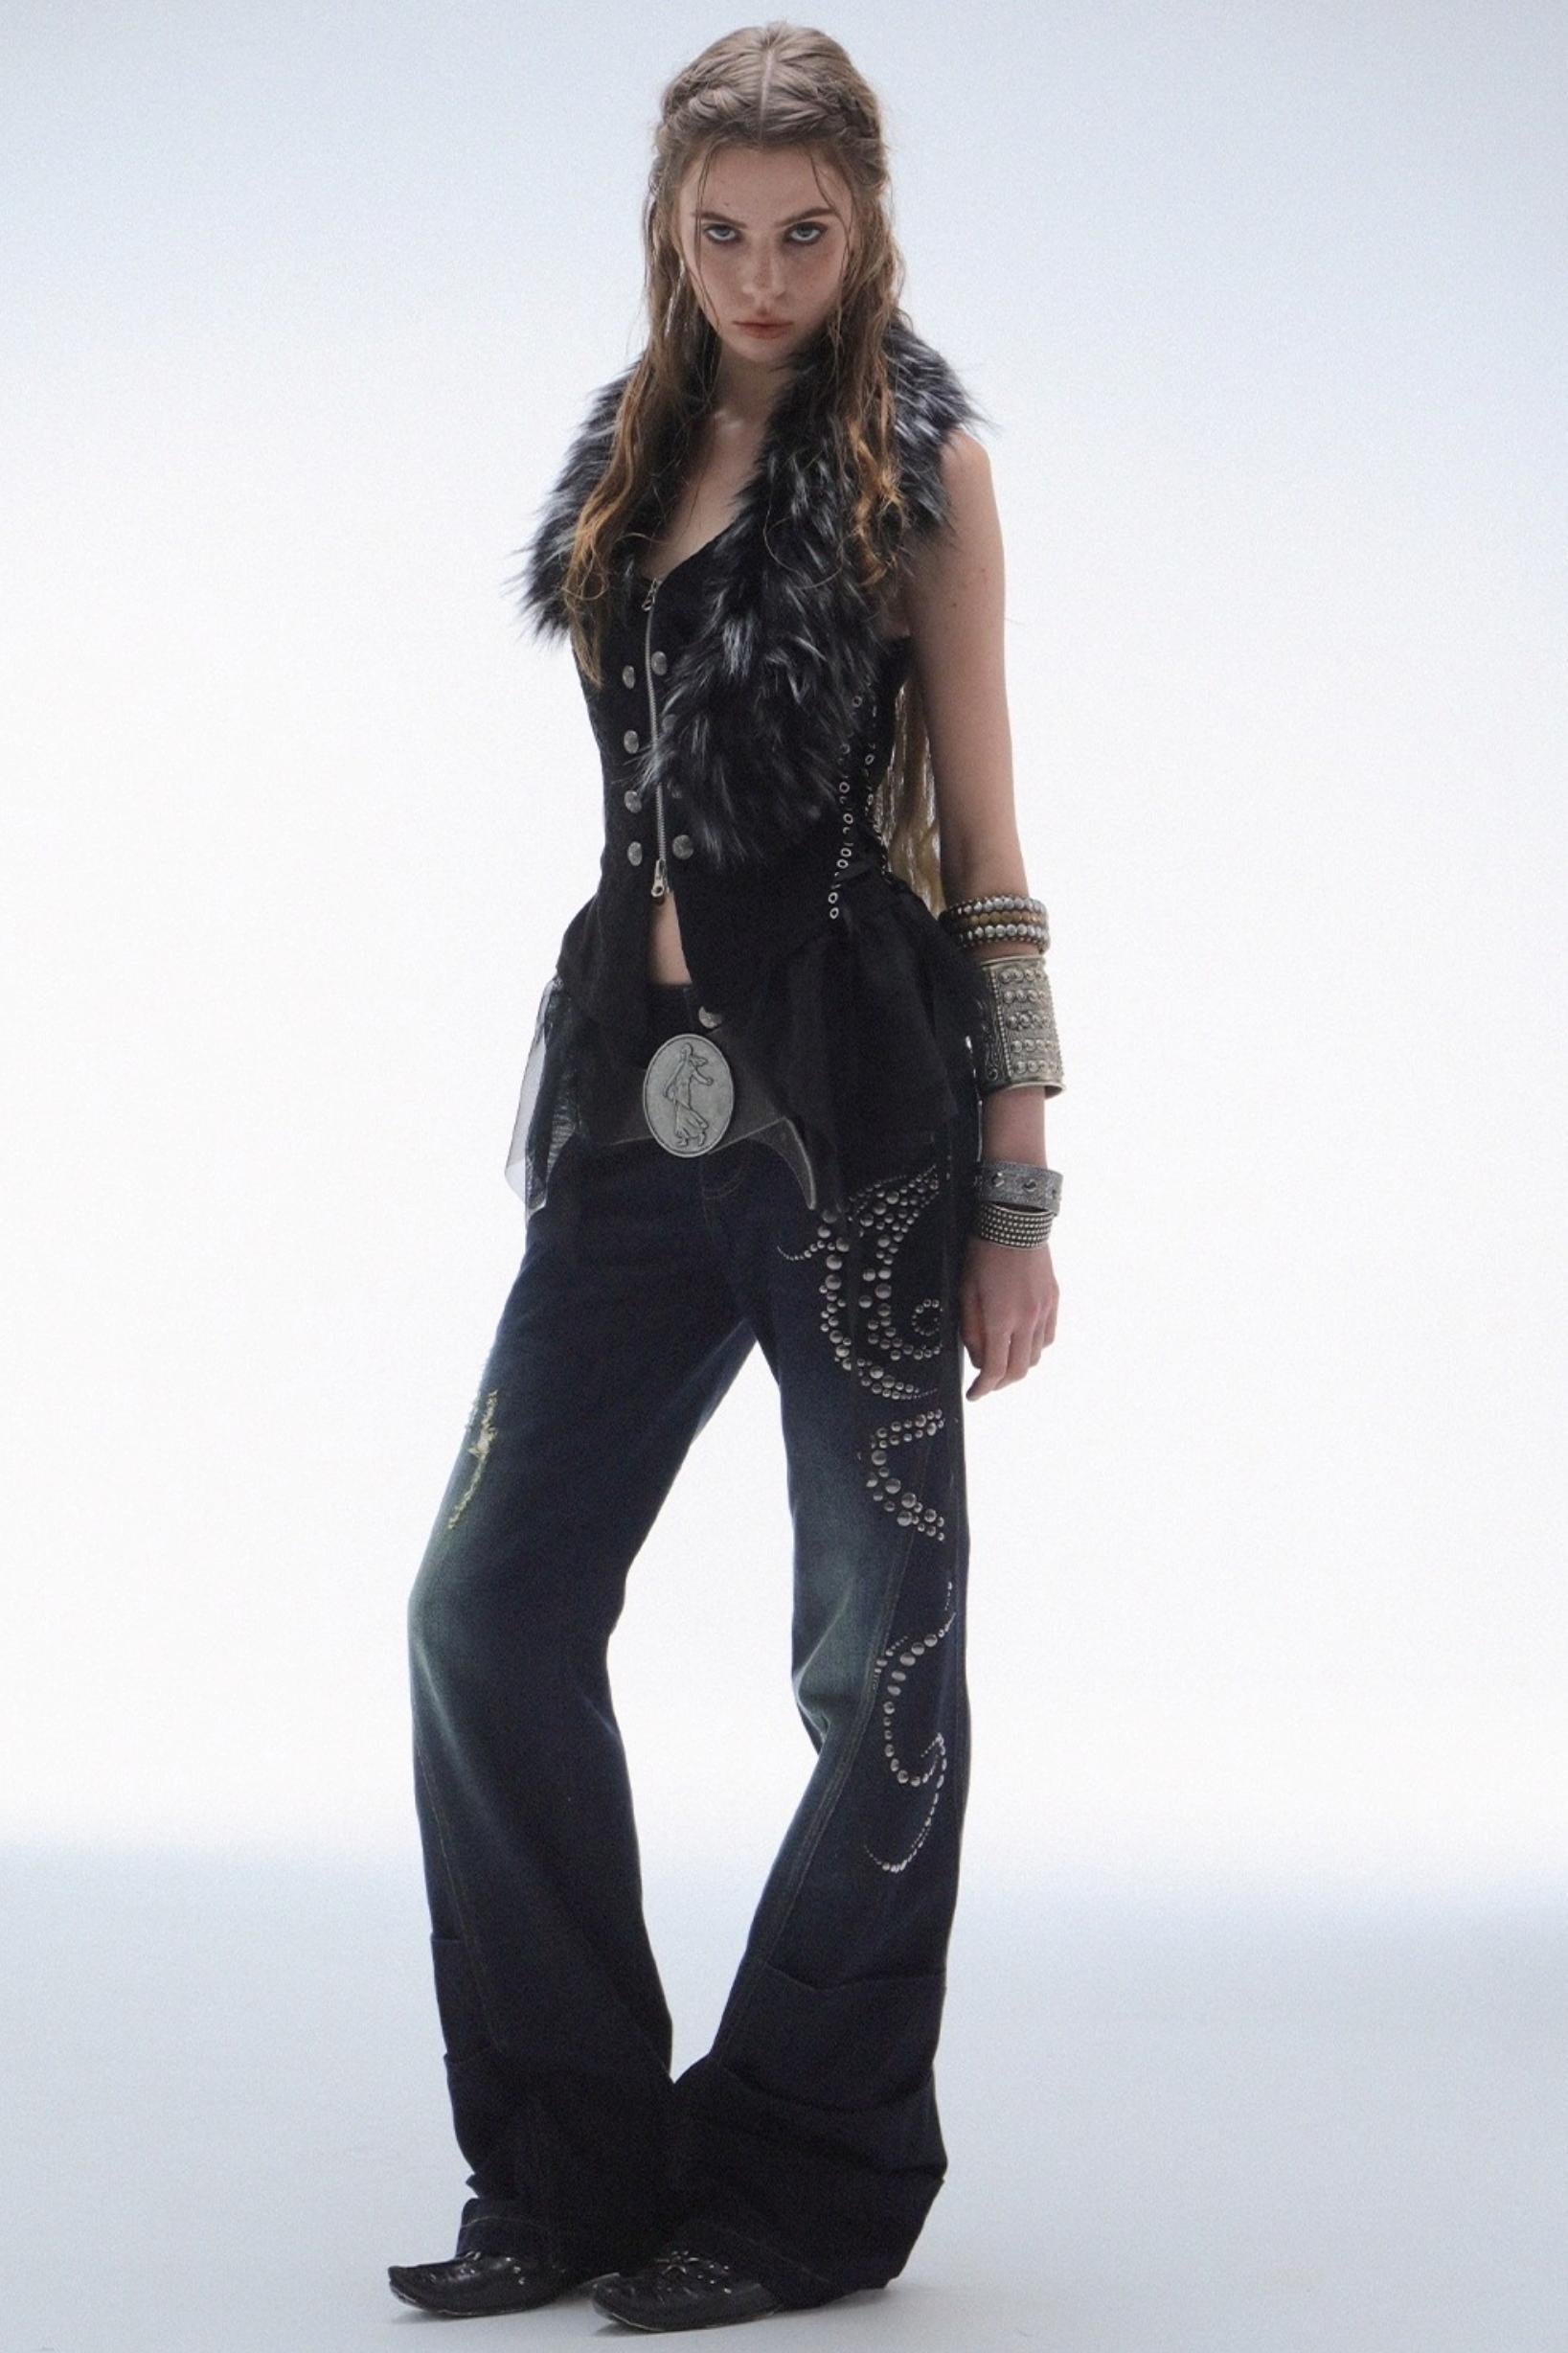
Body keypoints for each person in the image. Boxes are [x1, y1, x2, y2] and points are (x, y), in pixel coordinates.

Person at [389, 22, 1065, 2334]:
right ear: (668, 235)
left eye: (805, 234)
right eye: (722, 235)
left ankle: (795, 2177)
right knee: (480, 1612)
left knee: (881, 1663)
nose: (764, 276)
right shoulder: (632, 450)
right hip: (629, 1107)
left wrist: (1019, 1185)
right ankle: (571, 2160)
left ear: (864, 230)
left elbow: (989, 848)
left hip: (858, 1114)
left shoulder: (919, 467)